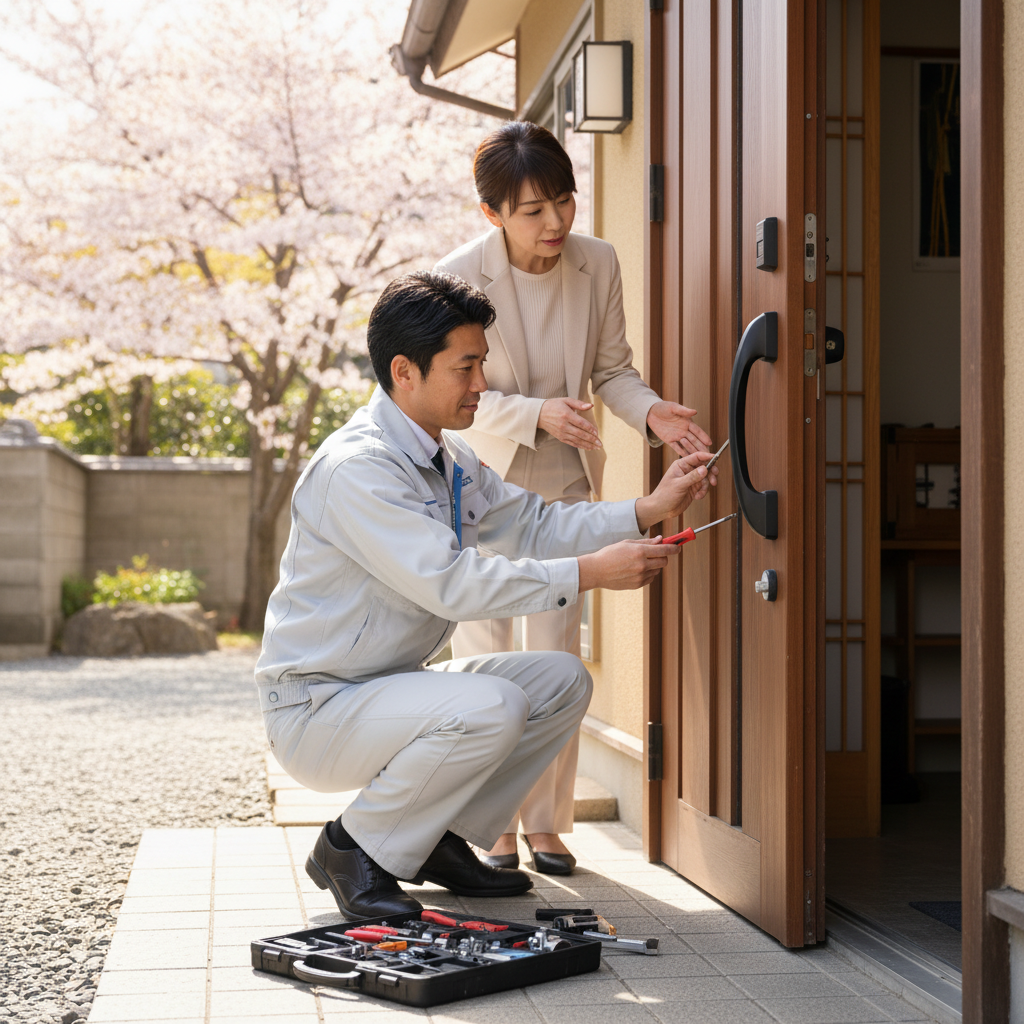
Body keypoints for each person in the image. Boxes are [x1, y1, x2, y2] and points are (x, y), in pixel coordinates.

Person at [256, 271, 717, 918]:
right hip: (317, 707)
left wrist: (647, 508)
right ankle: (351, 848)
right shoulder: (358, 469)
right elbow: (452, 585)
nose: (483, 385)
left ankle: (430, 838)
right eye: (465, 367)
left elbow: (535, 524)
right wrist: (589, 573)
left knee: (559, 681)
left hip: (385, 689)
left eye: (483, 364)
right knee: (490, 703)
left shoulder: (451, 458)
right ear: (405, 371)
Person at [435, 121, 713, 874]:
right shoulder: (457, 277)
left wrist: (651, 411)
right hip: (479, 488)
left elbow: (614, 370)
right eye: (533, 210)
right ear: (492, 212)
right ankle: (489, 827)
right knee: (486, 659)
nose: (555, 222)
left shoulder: (598, 263)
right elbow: (450, 392)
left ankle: (547, 822)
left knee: (557, 661)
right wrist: (532, 412)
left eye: (564, 200)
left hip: (562, 485)